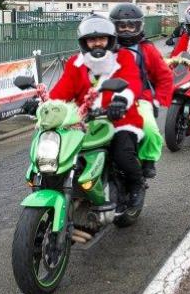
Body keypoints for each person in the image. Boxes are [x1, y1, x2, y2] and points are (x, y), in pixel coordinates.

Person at [50, 15, 147, 209]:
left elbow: (133, 82)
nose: (97, 44)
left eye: (101, 38)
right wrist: (43, 103)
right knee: (58, 153)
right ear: (84, 42)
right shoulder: (75, 64)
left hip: (119, 118)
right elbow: (62, 90)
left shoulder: (124, 58)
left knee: (122, 154)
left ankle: (137, 185)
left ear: (110, 40)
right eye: (92, 39)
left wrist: (121, 100)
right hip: (83, 121)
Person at [110, 3, 173, 179]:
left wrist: (157, 101)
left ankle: (148, 160)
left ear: (139, 26)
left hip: (140, 99)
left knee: (151, 130)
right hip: (106, 99)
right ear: (114, 26)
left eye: (131, 26)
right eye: (122, 26)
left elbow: (164, 76)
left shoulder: (146, 49)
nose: (127, 30)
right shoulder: (106, 47)